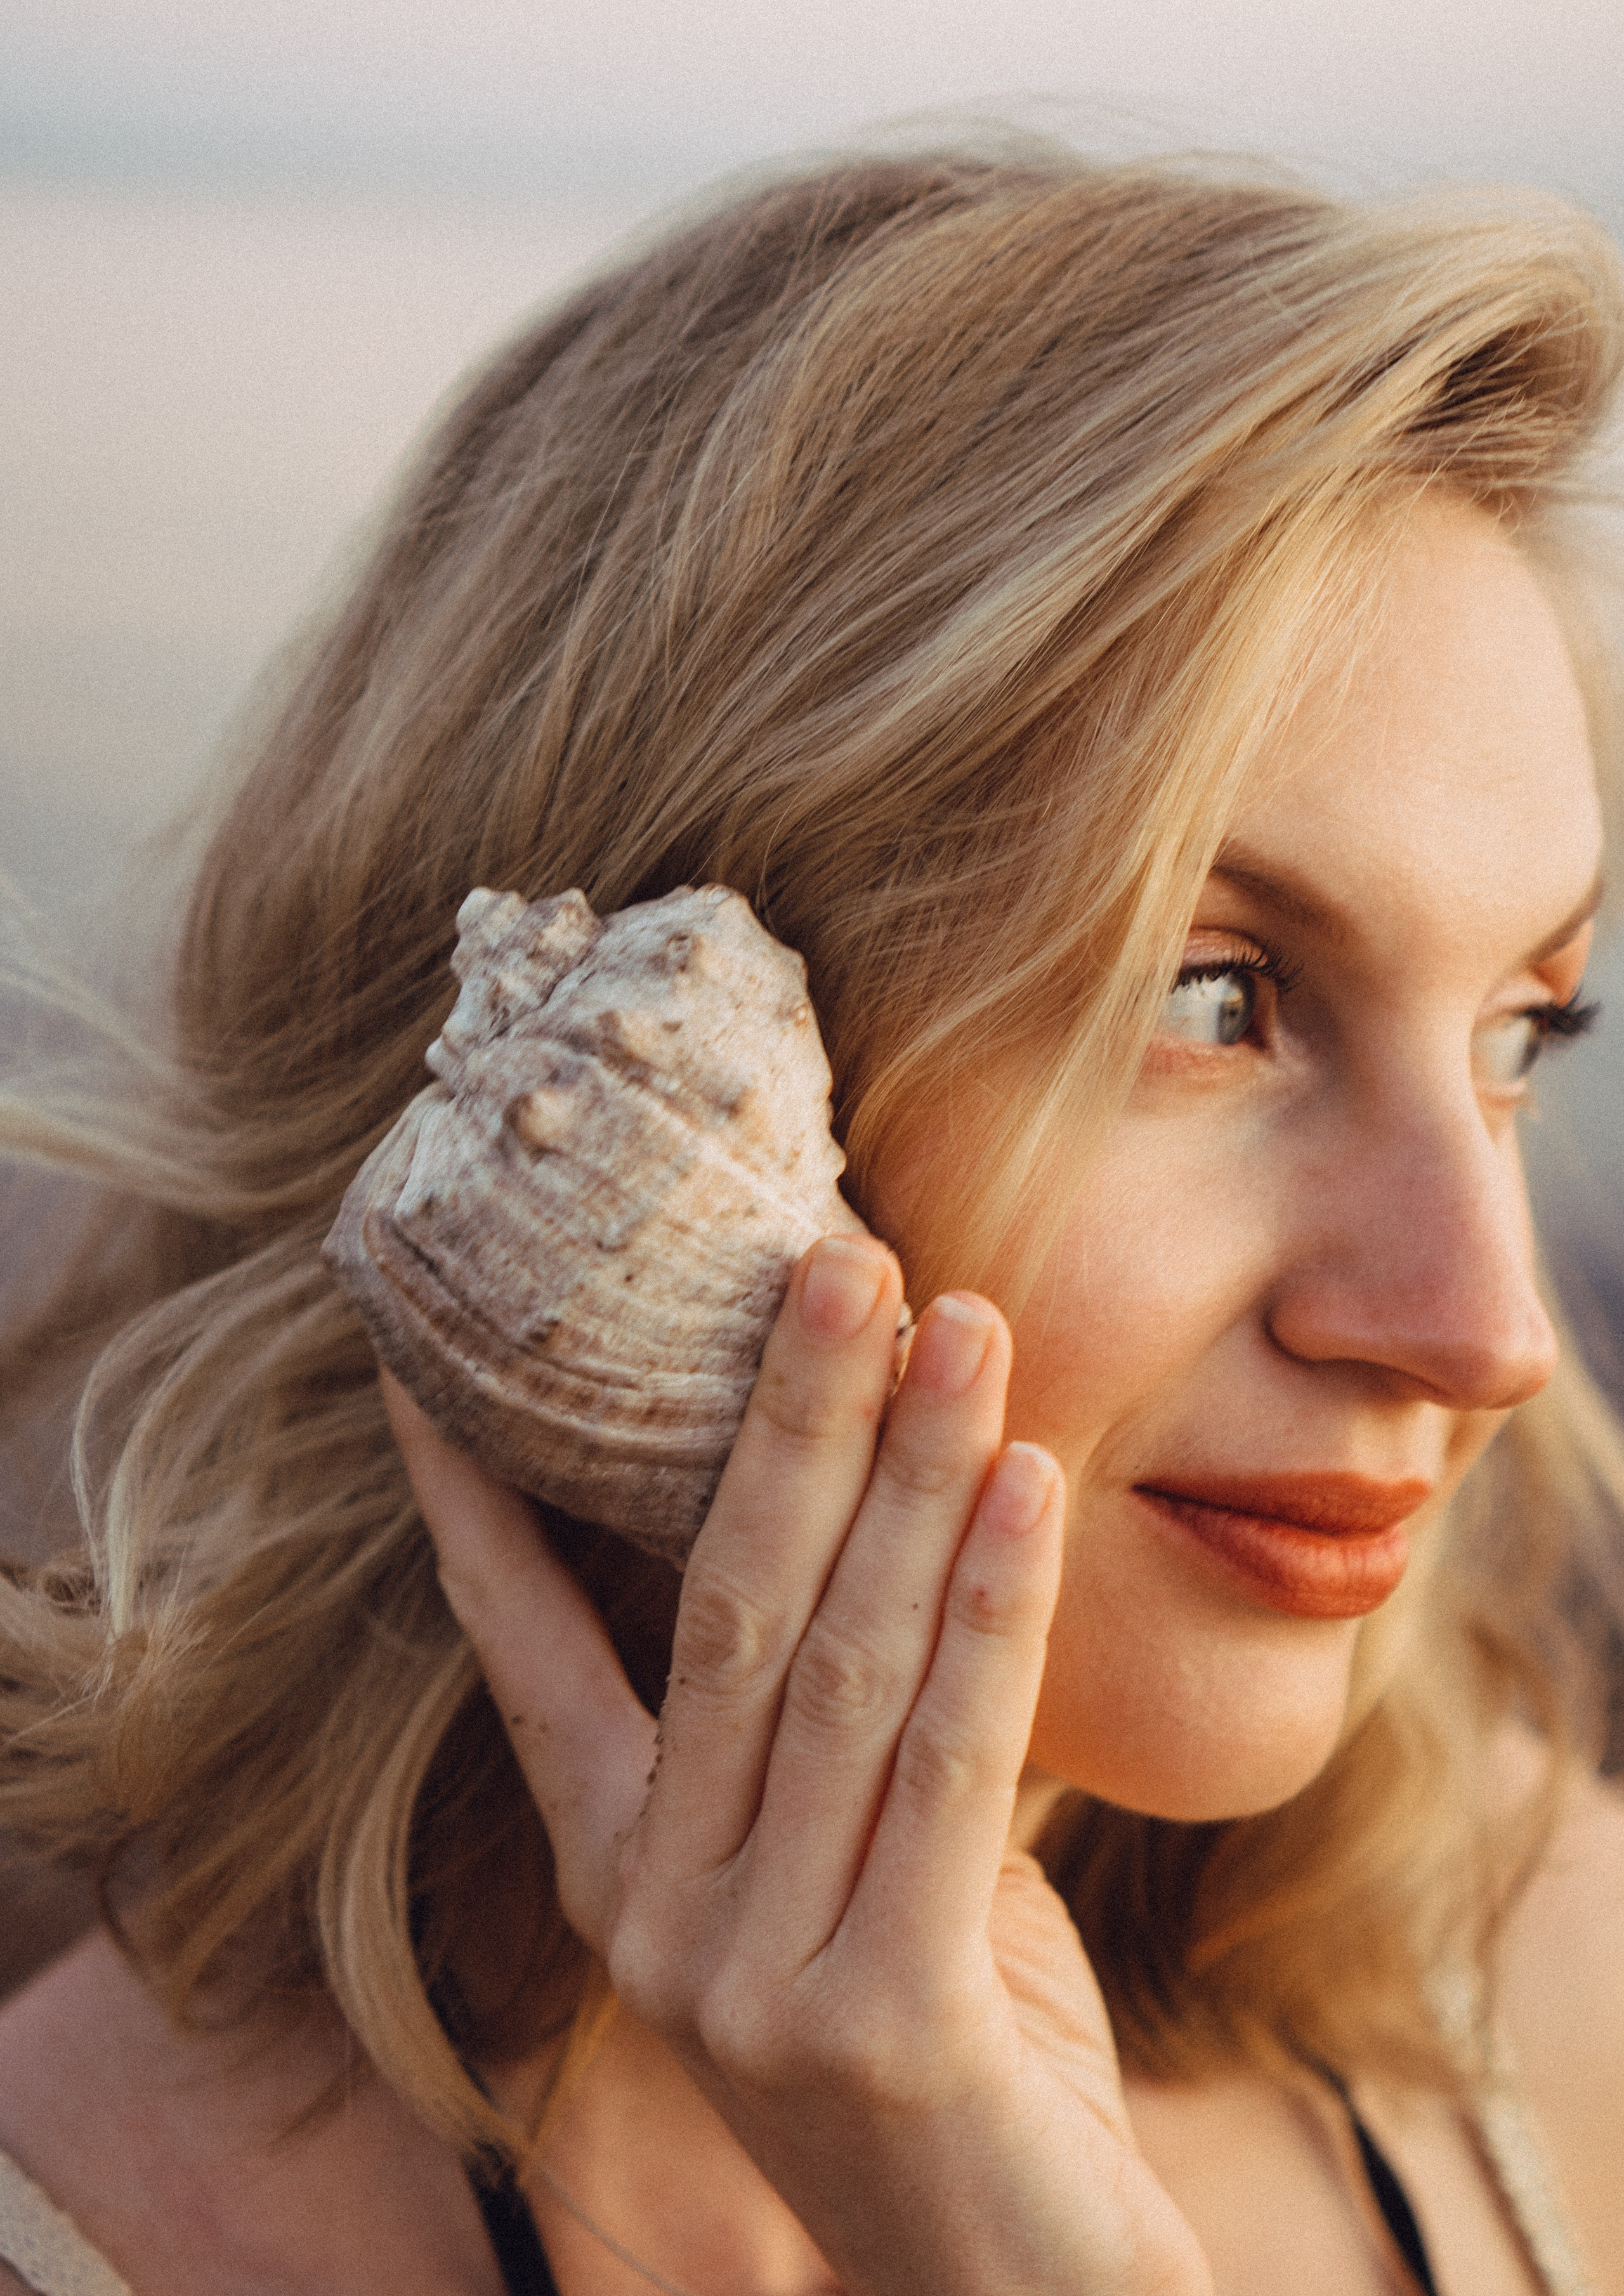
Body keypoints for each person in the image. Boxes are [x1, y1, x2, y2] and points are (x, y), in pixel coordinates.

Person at [0, 140, 1620, 2296]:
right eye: (1214, 996)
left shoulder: (1555, 1976)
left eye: (1526, 1030)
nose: (1487, 1324)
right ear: (624, 1099)